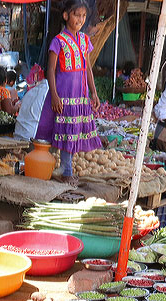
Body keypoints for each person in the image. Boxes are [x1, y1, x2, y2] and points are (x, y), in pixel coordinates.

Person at [35, 0, 102, 183]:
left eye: (83, 16)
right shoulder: (58, 41)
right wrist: (54, 95)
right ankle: (49, 166)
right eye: (76, 15)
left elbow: (87, 68)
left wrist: (93, 93)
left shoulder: (84, 40)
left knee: (72, 131)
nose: (80, 19)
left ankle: (66, 168)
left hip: (79, 95)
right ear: (66, 16)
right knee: (52, 129)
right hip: (62, 95)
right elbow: (50, 70)